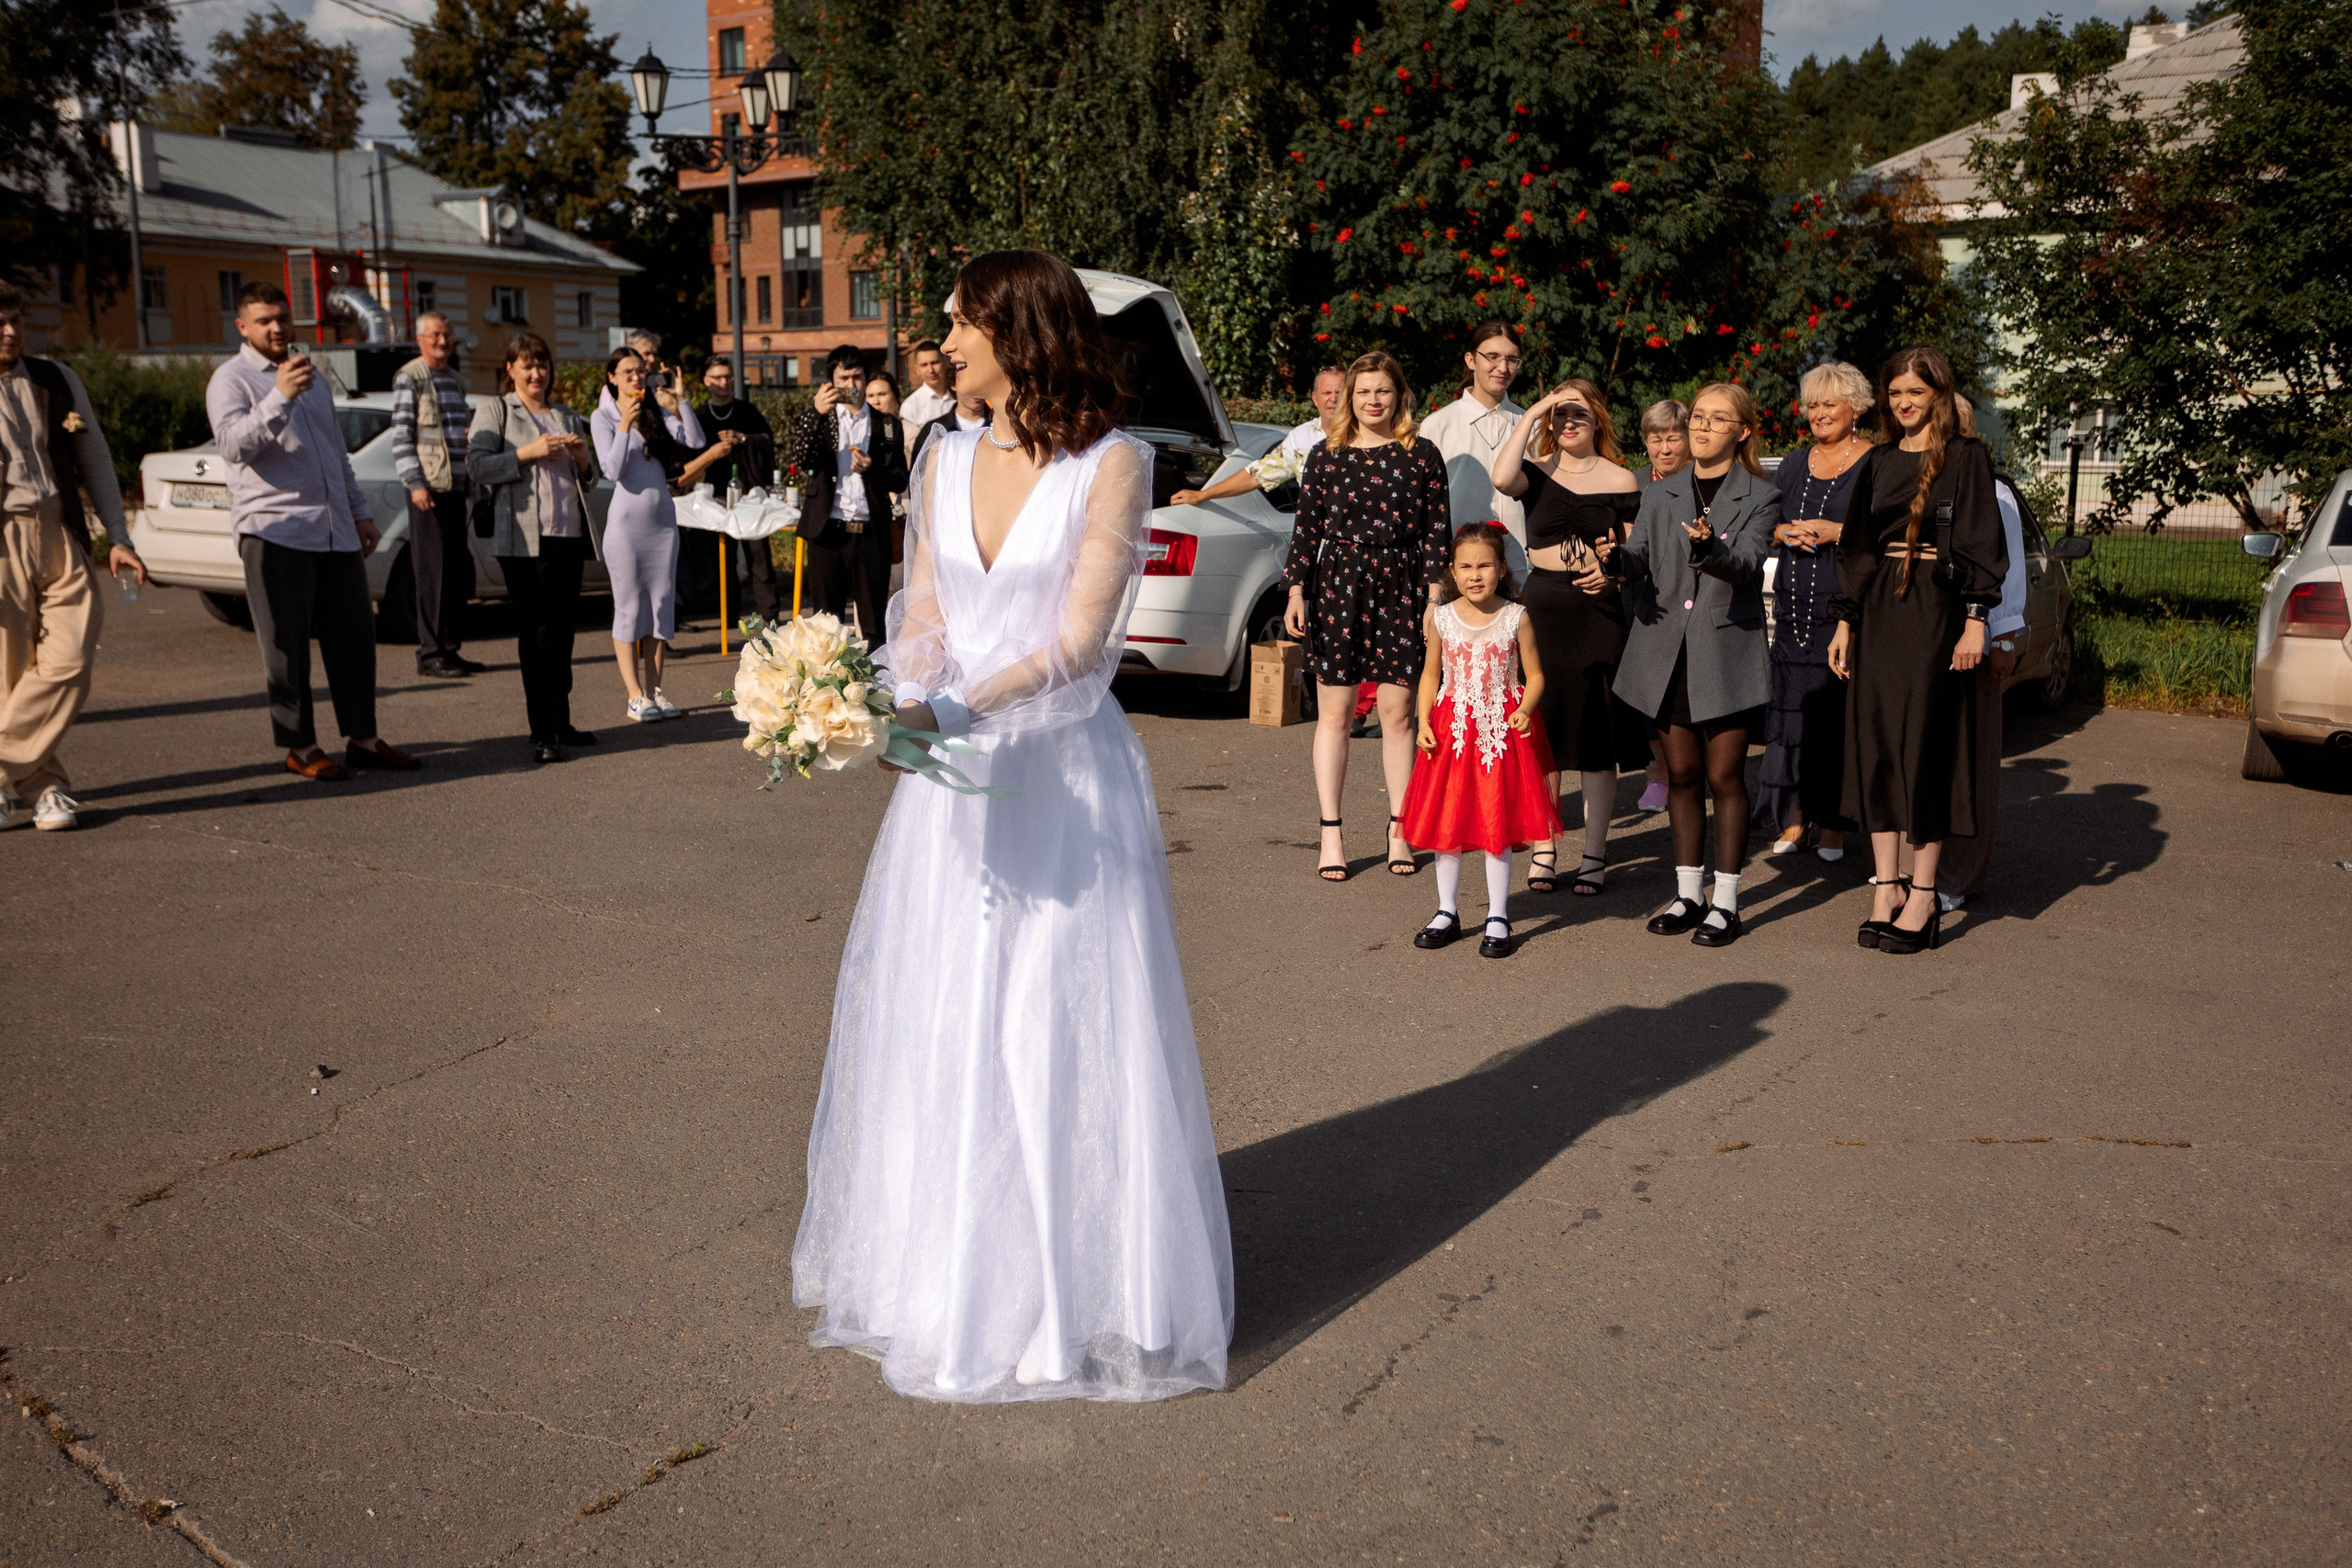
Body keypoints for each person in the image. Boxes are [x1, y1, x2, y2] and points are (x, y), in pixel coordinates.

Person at [793, 248, 1232, 1403]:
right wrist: (889, 699)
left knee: (1049, 1021)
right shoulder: (940, 453)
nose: (942, 343)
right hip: (948, 779)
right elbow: (926, 611)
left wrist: (950, 709)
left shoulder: (1113, 463)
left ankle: (1065, 1295)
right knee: (947, 1015)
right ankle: (945, 1283)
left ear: (1018, 330)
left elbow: (1078, 647)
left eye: (960, 323)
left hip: (1062, 778)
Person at [1828, 346, 2009, 954]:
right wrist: (1845, 622)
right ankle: (1886, 888)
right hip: (1880, 611)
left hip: (1938, 613)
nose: (1904, 402)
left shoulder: (1966, 457)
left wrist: (1977, 620)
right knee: (1878, 746)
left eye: (1916, 391)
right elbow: (1857, 547)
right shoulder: (1879, 461)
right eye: (1895, 392)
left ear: (1938, 394)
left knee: (1927, 750)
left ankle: (1925, 894)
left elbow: (1983, 540)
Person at [207, 282, 420, 780]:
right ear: (243, 327)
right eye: (264, 321)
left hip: (334, 530)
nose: (277, 328)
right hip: (275, 529)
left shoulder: (314, 377)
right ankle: (300, 746)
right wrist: (279, 397)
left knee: (354, 639)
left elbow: (335, 455)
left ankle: (363, 739)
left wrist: (359, 513)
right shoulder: (231, 379)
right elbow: (233, 447)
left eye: (282, 318)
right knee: (286, 646)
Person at [1600, 382, 1778, 947]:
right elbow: (1641, 558)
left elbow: (1747, 564)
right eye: (1698, 416)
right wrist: (1615, 559)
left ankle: (1726, 903)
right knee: (1680, 775)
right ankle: (1688, 895)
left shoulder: (1760, 494)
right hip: (1664, 651)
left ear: (1742, 432)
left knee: (1724, 777)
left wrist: (1709, 549)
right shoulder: (1661, 491)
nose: (1701, 426)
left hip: (1725, 652)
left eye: (1717, 419)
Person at [1281, 351, 1451, 882]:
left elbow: (1437, 533)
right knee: (1335, 714)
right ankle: (1331, 833)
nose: (1373, 400)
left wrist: (1434, 600)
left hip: (1402, 587)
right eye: (1363, 391)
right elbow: (1306, 528)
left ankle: (1400, 828)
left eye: (1383, 390)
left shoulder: (1422, 454)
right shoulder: (1325, 455)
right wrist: (1295, 590)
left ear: (1399, 395)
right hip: (1338, 585)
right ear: (1349, 398)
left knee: (1398, 715)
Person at [1489, 378, 1647, 897]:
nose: (1568, 421)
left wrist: (1614, 574)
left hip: (1598, 612)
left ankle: (1595, 852)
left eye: (1579, 412)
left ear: (1598, 417)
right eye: (1560, 413)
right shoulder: (1534, 473)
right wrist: (1537, 408)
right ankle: (1544, 845)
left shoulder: (1621, 478)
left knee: (1596, 735)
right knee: (1544, 731)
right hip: (1543, 608)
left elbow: (1634, 552)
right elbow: (1500, 476)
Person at [0, 283, 142, 831]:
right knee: (9, 670)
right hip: (3, 538)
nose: (11, 331)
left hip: (61, 531)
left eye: (16, 319)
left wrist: (119, 536)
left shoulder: (56, 378)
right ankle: (43, 788)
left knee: (71, 660)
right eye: (0, 323)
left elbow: (94, 456)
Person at [1399, 524, 1559, 958]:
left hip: (1499, 732)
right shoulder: (1442, 618)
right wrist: (1423, 720)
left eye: (1484, 565)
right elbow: (1430, 674)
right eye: (1466, 566)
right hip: (1451, 731)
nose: (1475, 575)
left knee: (1495, 821)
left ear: (1502, 568)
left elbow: (1536, 676)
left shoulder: (1515, 616)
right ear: (1452, 571)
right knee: (1447, 821)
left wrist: (1525, 708)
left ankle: (1498, 914)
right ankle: (1446, 911)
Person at [1758, 363, 1872, 864]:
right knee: (1790, 718)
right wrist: (1783, 533)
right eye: (1812, 405)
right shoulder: (1792, 461)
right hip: (1792, 612)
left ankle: (1833, 827)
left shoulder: (1874, 461)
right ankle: (1794, 815)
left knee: (1834, 722)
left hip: (1843, 610)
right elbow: (1765, 523)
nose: (1819, 413)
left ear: (1855, 407)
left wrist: (1835, 531)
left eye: (1830, 403)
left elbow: (1887, 534)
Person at [468, 333, 599, 763]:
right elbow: (476, 466)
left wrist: (582, 459)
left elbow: (590, 478)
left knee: (563, 633)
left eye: (541, 365)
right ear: (510, 369)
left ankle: (561, 722)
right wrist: (528, 452)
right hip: (525, 541)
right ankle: (541, 731)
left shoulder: (566, 415)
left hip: (568, 536)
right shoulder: (497, 410)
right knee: (538, 634)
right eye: (527, 365)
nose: (536, 373)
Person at [592, 346, 740, 723]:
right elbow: (611, 469)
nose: (635, 377)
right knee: (629, 609)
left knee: (660, 608)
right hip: (625, 527)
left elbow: (694, 441)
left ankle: (655, 690)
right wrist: (624, 424)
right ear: (612, 377)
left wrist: (681, 400)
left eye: (640, 371)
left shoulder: (655, 412)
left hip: (662, 523)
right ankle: (634, 695)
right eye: (627, 372)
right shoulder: (602, 416)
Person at [1932, 470, 2035, 910]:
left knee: (1968, 760)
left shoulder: (1993, 491)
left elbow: (2008, 565)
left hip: (1973, 638)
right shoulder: (1906, 474)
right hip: (1919, 637)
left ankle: (1957, 874)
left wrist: (2004, 639)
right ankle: (1909, 871)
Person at [790, 345, 909, 641]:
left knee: (873, 626)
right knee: (825, 626)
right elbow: (801, 459)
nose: (850, 384)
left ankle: (876, 672)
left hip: (871, 532)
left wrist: (872, 469)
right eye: (843, 378)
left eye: (856, 377)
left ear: (866, 379)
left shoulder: (887, 424)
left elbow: (899, 480)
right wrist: (816, 413)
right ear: (831, 382)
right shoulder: (821, 419)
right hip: (828, 530)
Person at [390, 310, 478, 680]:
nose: (443, 342)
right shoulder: (410, 377)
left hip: (456, 488)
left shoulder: (456, 380)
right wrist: (415, 484)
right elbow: (401, 436)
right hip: (429, 490)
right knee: (432, 574)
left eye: (447, 335)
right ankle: (430, 655)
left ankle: (450, 650)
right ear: (420, 340)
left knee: (455, 573)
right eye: (435, 335)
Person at [1418, 320, 1529, 555]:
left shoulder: (1531, 425)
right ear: (1471, 360)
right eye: (1492, 357)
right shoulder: (1437, 426)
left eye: (1512, 359)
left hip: (1522, 563)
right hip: (1459, 564)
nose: (1502, 368)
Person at [1168, 364, 1345, 509]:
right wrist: (1202, 495)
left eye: (1340, 393)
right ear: (1315, 398)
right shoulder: (1301, 439)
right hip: (1319, 539)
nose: (1333, 399)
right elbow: (1256, 475)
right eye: (1327, 393)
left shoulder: (1362, 435)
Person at [1631, 400, 1690, 814]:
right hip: (1639, 595)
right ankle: (1657, 775)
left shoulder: (1700, 482)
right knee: (1645, 694)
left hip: (1683, 599)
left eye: (1673, 438)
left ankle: (1684, 772)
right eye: (1656, 439)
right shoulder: (1632, 482)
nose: (1664, 448)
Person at [695, 358, 781, 620]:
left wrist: (742, 438)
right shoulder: (701, 415)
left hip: (750, 493)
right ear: (706, 381)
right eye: (719, 377)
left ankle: (770, 616)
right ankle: (728, 613)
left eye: (729, 377)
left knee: (759, 556)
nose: (725, 382)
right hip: (717, 493)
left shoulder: (746, 411)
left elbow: (767, 441)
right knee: (723, 557)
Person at [911, 381, 990, 469]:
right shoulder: (934, 430)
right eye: (970, 383)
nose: (976, 389)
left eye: (981, 382)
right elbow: (919, 471)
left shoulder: (998, 427)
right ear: (954, 384)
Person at [897, 337, 956, 448]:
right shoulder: (910, 407)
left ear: (945, 362)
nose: (931, 370)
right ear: (917, 370)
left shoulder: (960, 397)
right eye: (924, 365)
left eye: (935, 363)